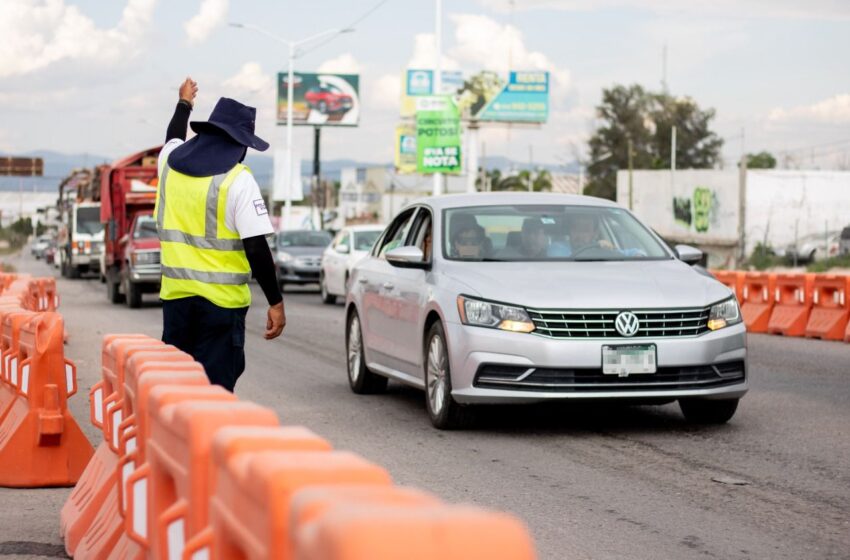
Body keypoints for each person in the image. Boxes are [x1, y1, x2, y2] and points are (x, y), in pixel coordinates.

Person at [155, 77, 285, 391]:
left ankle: (175, 440)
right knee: (214, 394)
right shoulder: (238, 180)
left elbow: (173, 136)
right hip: (221, 309)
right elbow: (255, 248)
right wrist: (276, 302)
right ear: (240, 145)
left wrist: (184, 103)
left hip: (176, 303)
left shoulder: (169, 165)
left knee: (176, 389)